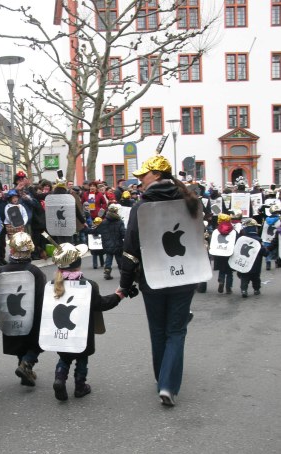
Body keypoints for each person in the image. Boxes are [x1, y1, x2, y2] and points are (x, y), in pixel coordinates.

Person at [119, 154, 200, 407]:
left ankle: (162, 380)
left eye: (144, 174)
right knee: (176, 330)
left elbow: (130, 247)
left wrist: (125, 282)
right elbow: (199, 237)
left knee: (158, 330)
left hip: (152, 277)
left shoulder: (141, 206)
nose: (140, 179)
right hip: (186, 273)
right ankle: (167, 384)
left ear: (157, 175)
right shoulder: (191, 200)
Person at [49, 241, 124, 401]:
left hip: (62, 333)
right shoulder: (87, 285)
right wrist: (118, 296)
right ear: (78, 263)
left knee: (64, 359)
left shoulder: (52, 286)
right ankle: (80, 387)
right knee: (82, 360)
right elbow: (101, 304)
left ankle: (59, 379)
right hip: (82, 334)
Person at [0, 232, 47, 386]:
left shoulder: (1, 271)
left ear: (11, 250)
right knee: (35, 345)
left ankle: (24, 369)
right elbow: (41, 297)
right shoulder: (35, 272)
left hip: (9, 317)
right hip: (32, 319)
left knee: (19, 344)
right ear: (30, 250)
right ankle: (26, 364)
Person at [237, 219, 268, 298]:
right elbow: (263, 251)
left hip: (244, 263)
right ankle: (256, 289)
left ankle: (244, 290)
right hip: (255, 264)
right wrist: (266, 252)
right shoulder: (258, 240)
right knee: (256, 278)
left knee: (244, 277)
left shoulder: (241, 239)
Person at [94, 204, 125, 280]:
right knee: (119, 258)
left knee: (109, 257)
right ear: (116, 211)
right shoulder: (120, 221)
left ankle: (107, 272)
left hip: (107, 244)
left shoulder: (104, 222)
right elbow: (123, 233)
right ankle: (122, 272)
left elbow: (97, 231)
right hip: (118, 243)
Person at [212, 214, 235, 294]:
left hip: (219, 253)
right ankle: (228, 288)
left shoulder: (216, 230)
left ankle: (221, 281)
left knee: (222, 270)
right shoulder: (233, 230)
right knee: (229, 272)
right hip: (229, 253)